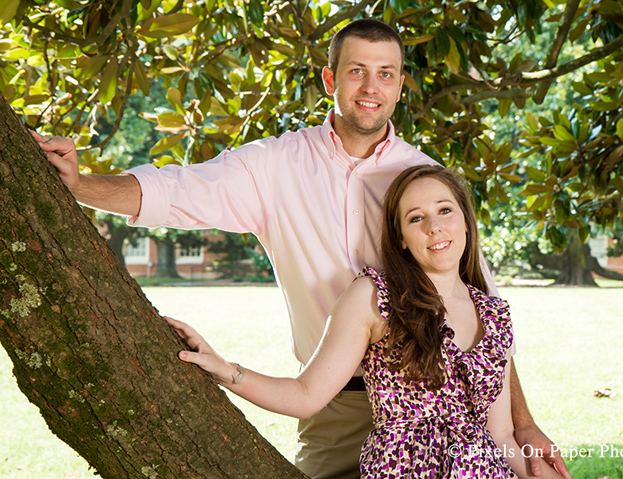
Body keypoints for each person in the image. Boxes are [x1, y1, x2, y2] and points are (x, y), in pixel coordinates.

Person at [31, 18, 569, 479]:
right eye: (357, 71)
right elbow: (176, 191)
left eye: (386, 74)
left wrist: (521, 424)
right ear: (331, 79)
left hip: (445, 409)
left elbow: (480, 316)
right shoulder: (274, 165)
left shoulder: (423, 179)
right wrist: (82, 186)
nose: (370, 87)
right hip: (333, 403)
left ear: (401, 86)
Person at [165, 165, 566, 479]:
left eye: (445, 211)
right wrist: (226, 370)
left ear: (465, 221)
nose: (435, 227)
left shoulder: (494, 315)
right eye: (416, 218)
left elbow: (499, 437)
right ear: (402, 238)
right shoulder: (374, 296)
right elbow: (306, 395)